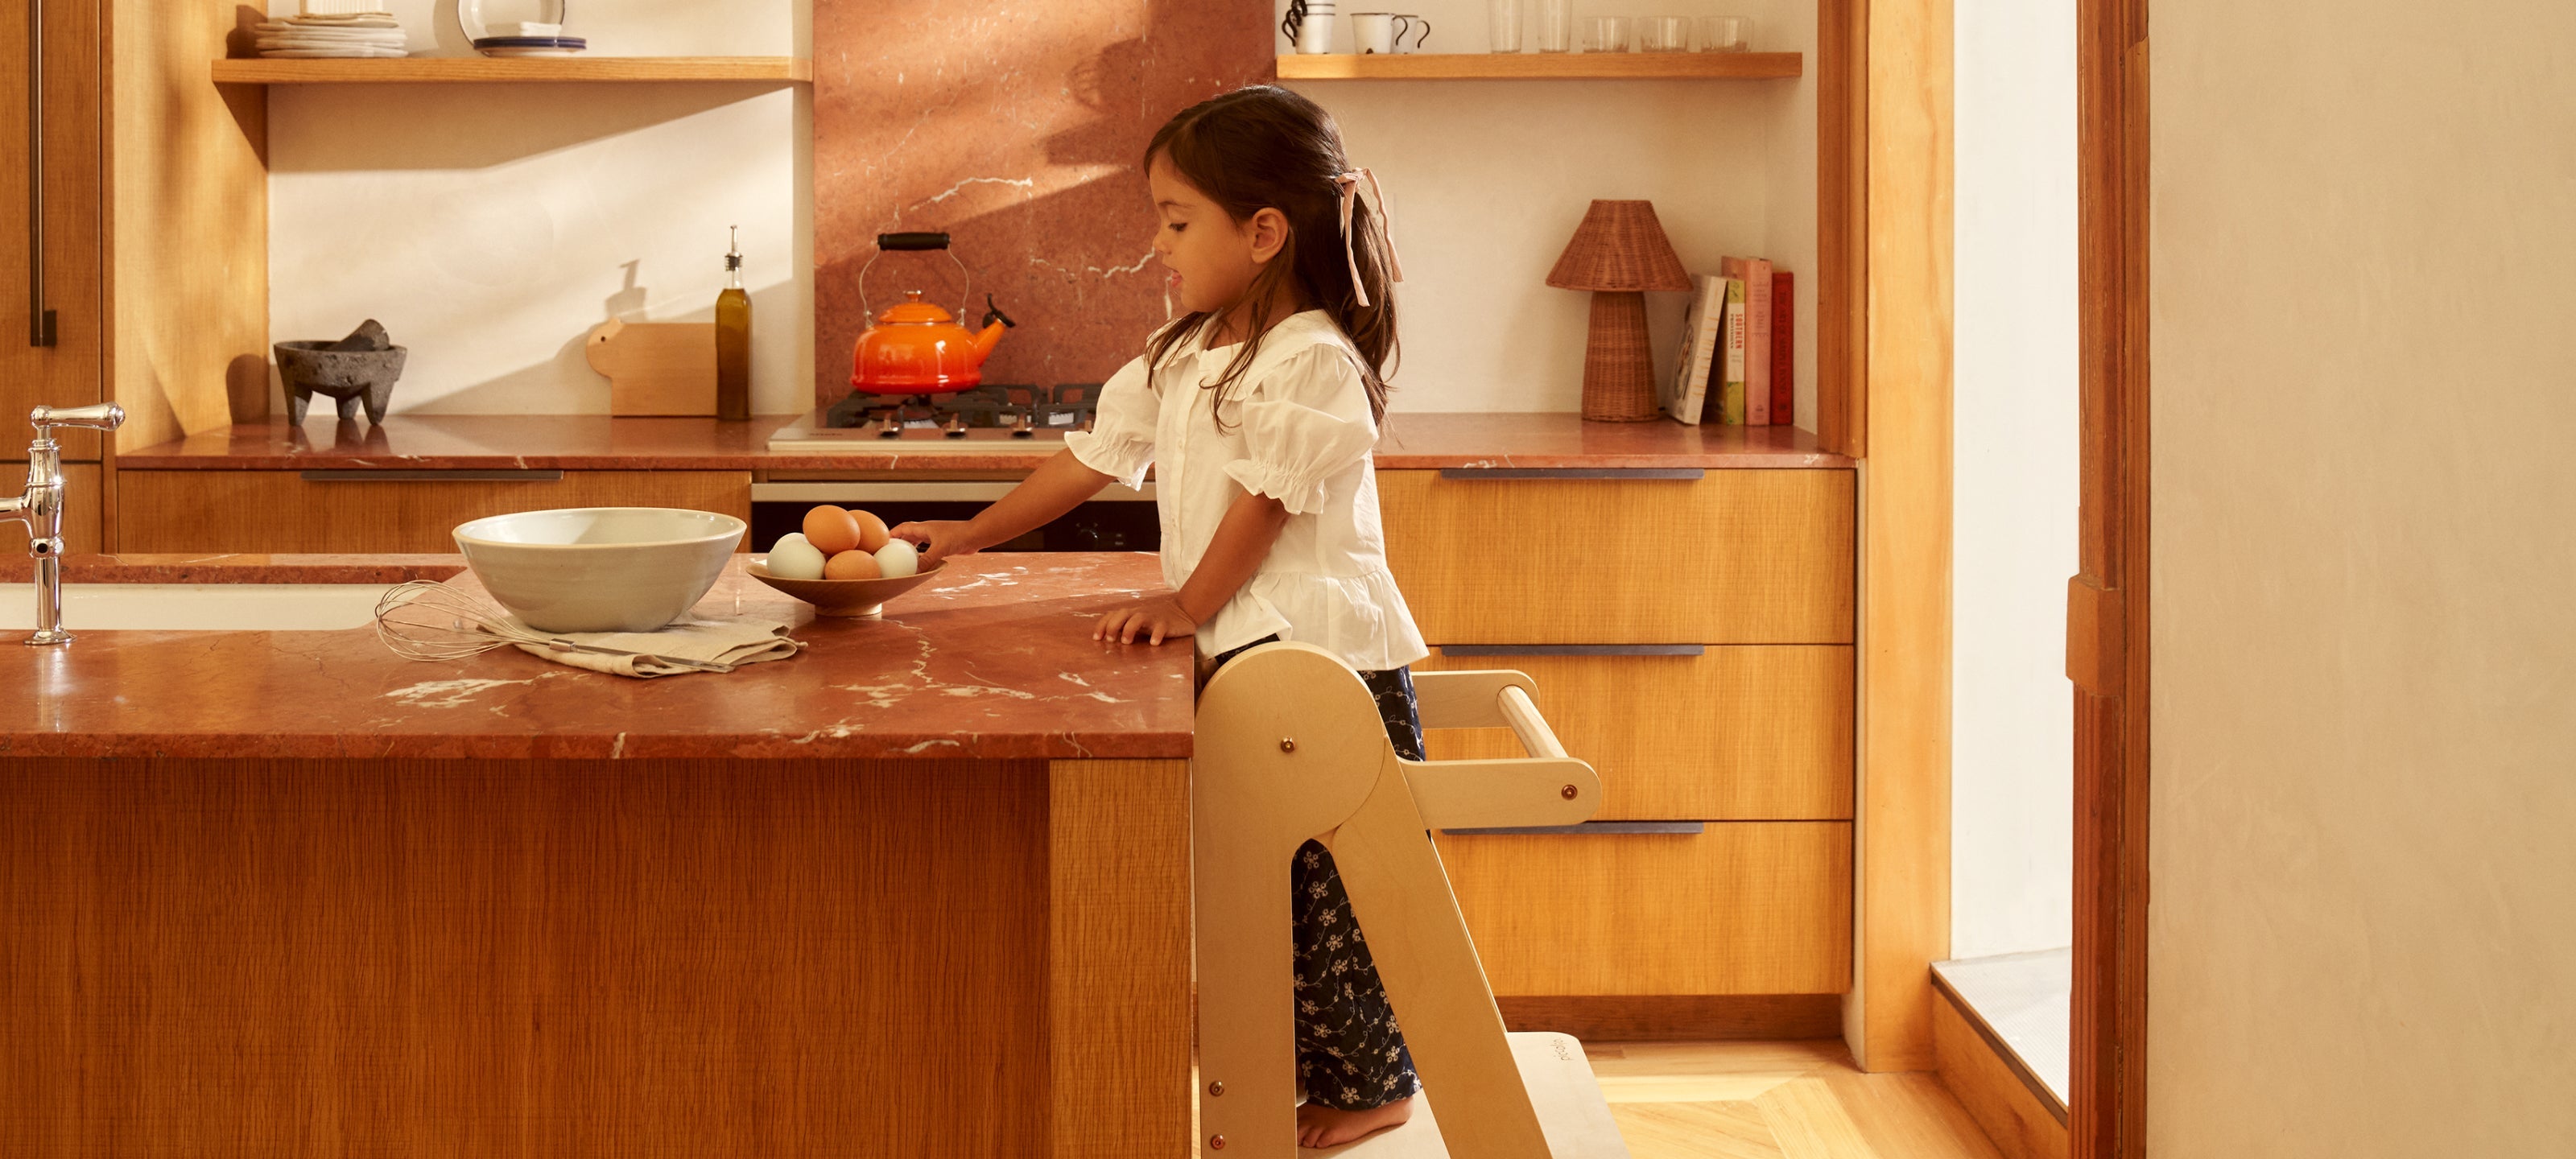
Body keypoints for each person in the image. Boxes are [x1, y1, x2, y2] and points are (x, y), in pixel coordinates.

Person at [890, 84, 1427, 1149]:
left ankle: (1377, 1086)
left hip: (1322, 670)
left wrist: (1184, 604)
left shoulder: (1312, 358)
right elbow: (1089, 459)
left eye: (1177, 221)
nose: (1157, 244)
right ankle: (1299, 1071)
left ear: (1263, 233)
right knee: (1270, 889)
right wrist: (967, 535)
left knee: (1334, 898)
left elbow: (1266, 507)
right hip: (1256, 662)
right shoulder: (1186, 350)